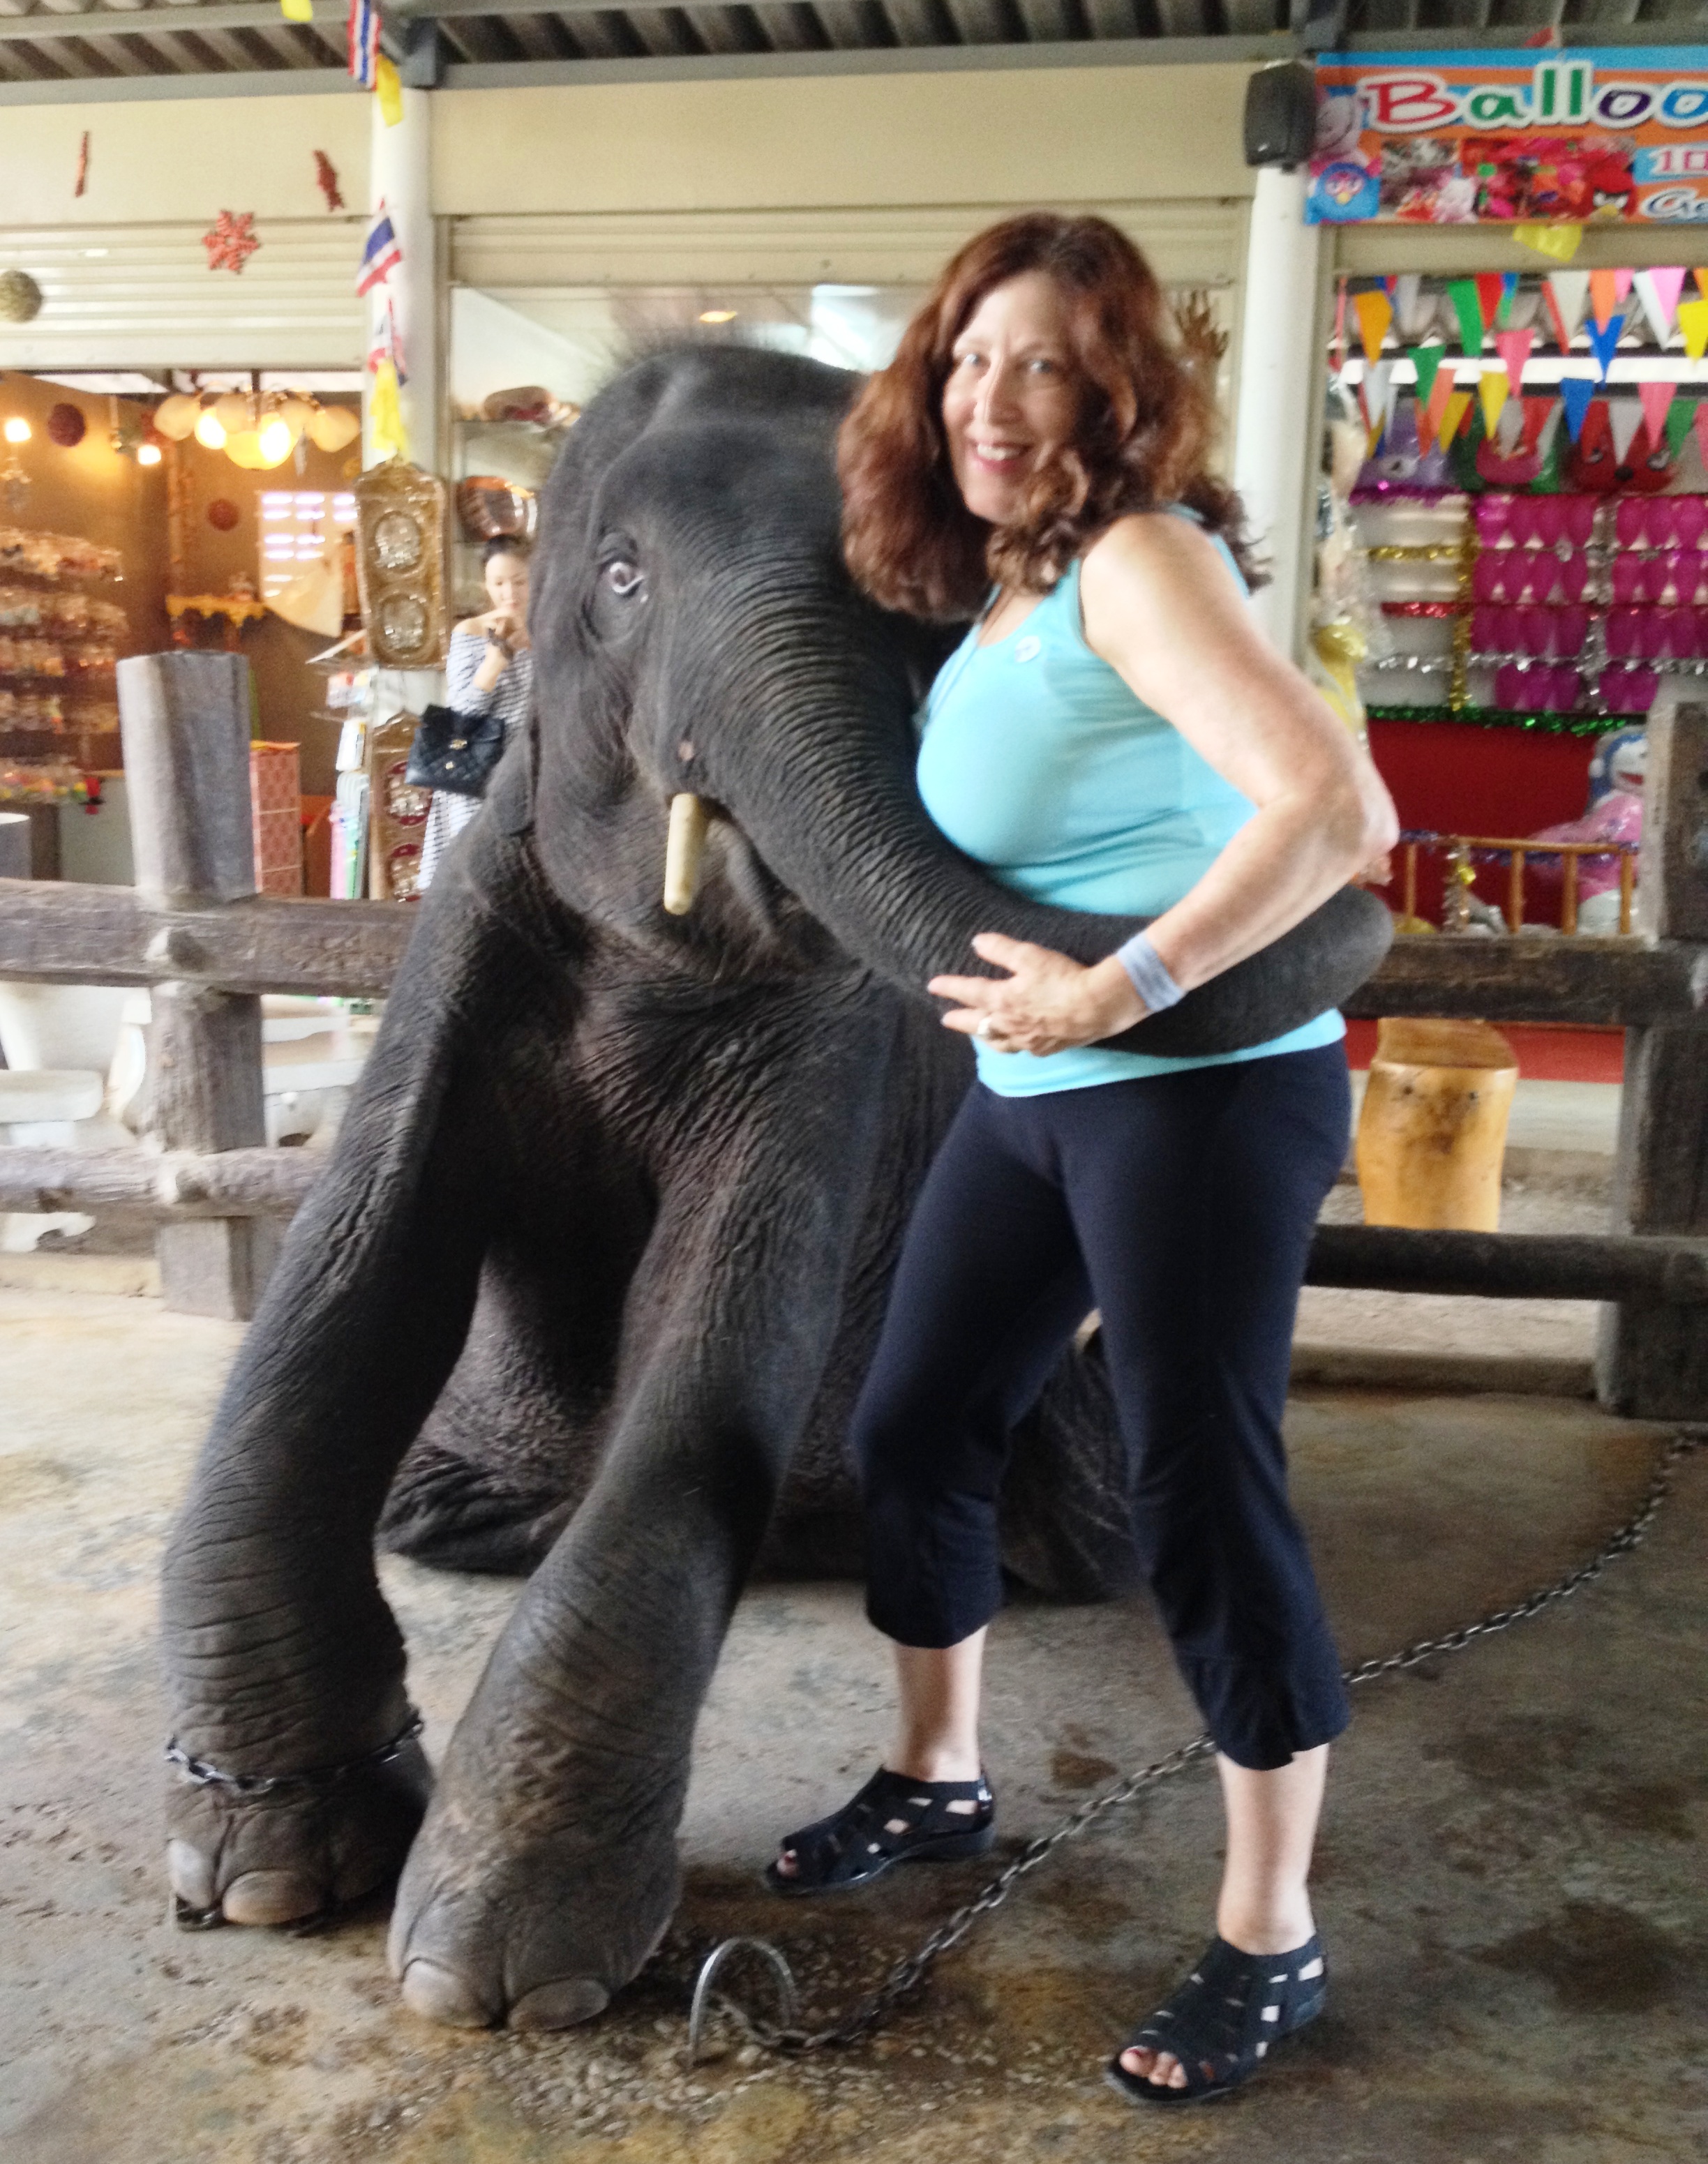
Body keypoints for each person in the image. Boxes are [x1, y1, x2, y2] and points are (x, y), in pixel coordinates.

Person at [766, 214, 1397, 2107]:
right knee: (919, 1417)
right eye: (966, 360)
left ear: (1111, 388)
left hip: (1198, 1094)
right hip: (1042, 1101)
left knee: (1200, 1492)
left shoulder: (1136, 558)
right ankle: (941, 1777)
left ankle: (1273, 1932)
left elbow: (1341, 806)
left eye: (1037, 361)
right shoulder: (1010, 589)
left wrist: (1126, 983)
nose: (990, 398)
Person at [417, 538, 534, 889]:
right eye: (498, 583)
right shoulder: (469, 632)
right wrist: (494, 662)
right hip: (477, 773)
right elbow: (462, 714)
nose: (509, 592)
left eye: (520, 580)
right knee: (476, 883)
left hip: (533, 769)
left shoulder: (551, 632)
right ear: (486, 584)